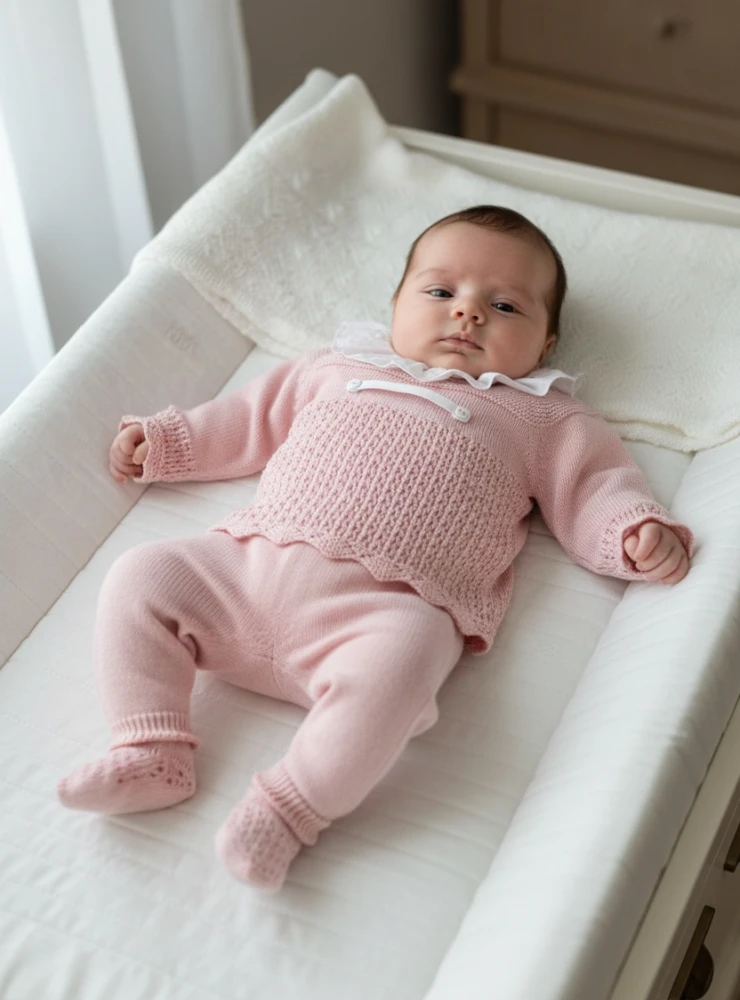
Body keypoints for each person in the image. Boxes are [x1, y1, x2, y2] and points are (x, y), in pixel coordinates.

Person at [57, 205, 693, 890]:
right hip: (244, 570)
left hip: (381, 612)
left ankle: (288, 807)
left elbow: (594, 487)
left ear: (546, 343)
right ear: (394, 305)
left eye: (504, 305)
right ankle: (151, 746)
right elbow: (247, 420)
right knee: (143, 573)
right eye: (441, 292)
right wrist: (173, 443)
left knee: (407, 665)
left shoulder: (543, 415)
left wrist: (631, 530)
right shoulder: (337, 366)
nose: (468, 314)